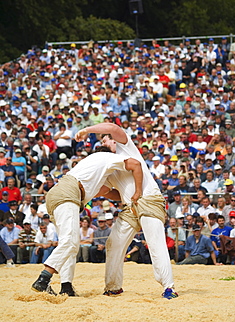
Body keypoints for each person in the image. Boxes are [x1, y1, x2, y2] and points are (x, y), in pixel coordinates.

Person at [75, 123, 178, 300]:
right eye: (105, 140)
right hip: (130, 207)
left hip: (148, 199)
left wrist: (87, 130)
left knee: (155, 243)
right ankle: (113, 286)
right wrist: (83, 198)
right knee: (113, 243)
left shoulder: (125, 148)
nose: (107, 140)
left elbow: (113, 128)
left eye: (106, 138)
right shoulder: (110, 166)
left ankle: (169, 287)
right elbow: (110, 192)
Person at [32, 149, 143, 297]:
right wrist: (138, 191)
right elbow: (136, 164)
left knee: (68, 246)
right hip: (68, 193)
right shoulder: (106, 157)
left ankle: (66, 287)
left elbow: (107, 192)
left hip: (57, 193)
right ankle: (43, 279)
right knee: (71, 242)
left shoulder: (92, 168)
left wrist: (127, 196)